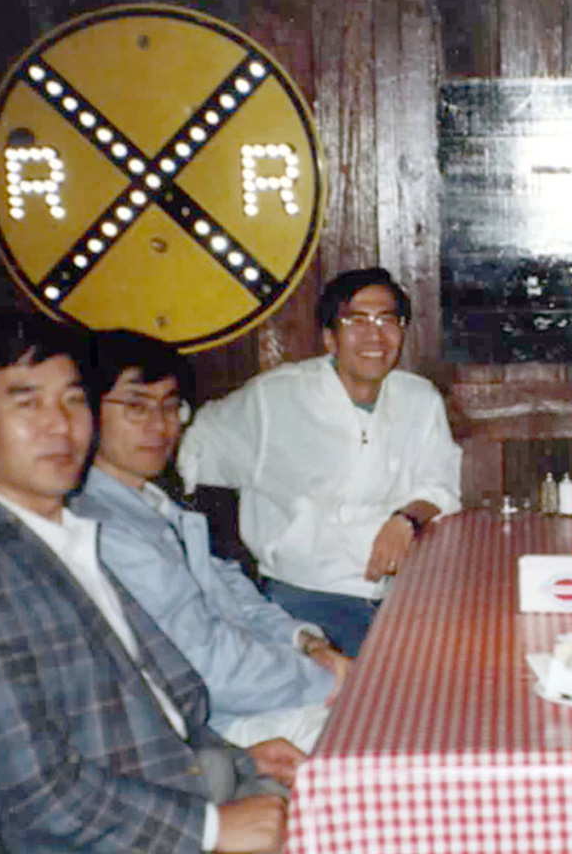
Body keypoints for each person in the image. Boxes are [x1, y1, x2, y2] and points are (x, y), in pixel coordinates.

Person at [0, 313, 302, 854]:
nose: (60, 425)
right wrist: (210, 829)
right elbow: (33, 793)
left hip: (186, 796)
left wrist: (245, 758)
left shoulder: (65, 536)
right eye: (28, 403)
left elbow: (159, 703)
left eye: (73, 400)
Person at [71, 330, 353, 752]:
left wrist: (306, 642)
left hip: (259, 698)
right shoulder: (103, 527)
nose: (160, 425)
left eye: (170, 406)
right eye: (136, 406)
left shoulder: (155, 505)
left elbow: (237, 597)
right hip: (208, 729)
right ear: (88, 413)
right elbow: (207, 668)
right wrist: (327, 680)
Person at [177, 268, 462, 656]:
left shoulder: (419, 399)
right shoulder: (275, 398)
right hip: (306, 598)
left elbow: (441, 484)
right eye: (356, 321)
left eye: (387, 320)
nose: (375, 335)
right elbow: (192, 443)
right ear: (330, 337)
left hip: (402, 591)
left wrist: (406, 519)